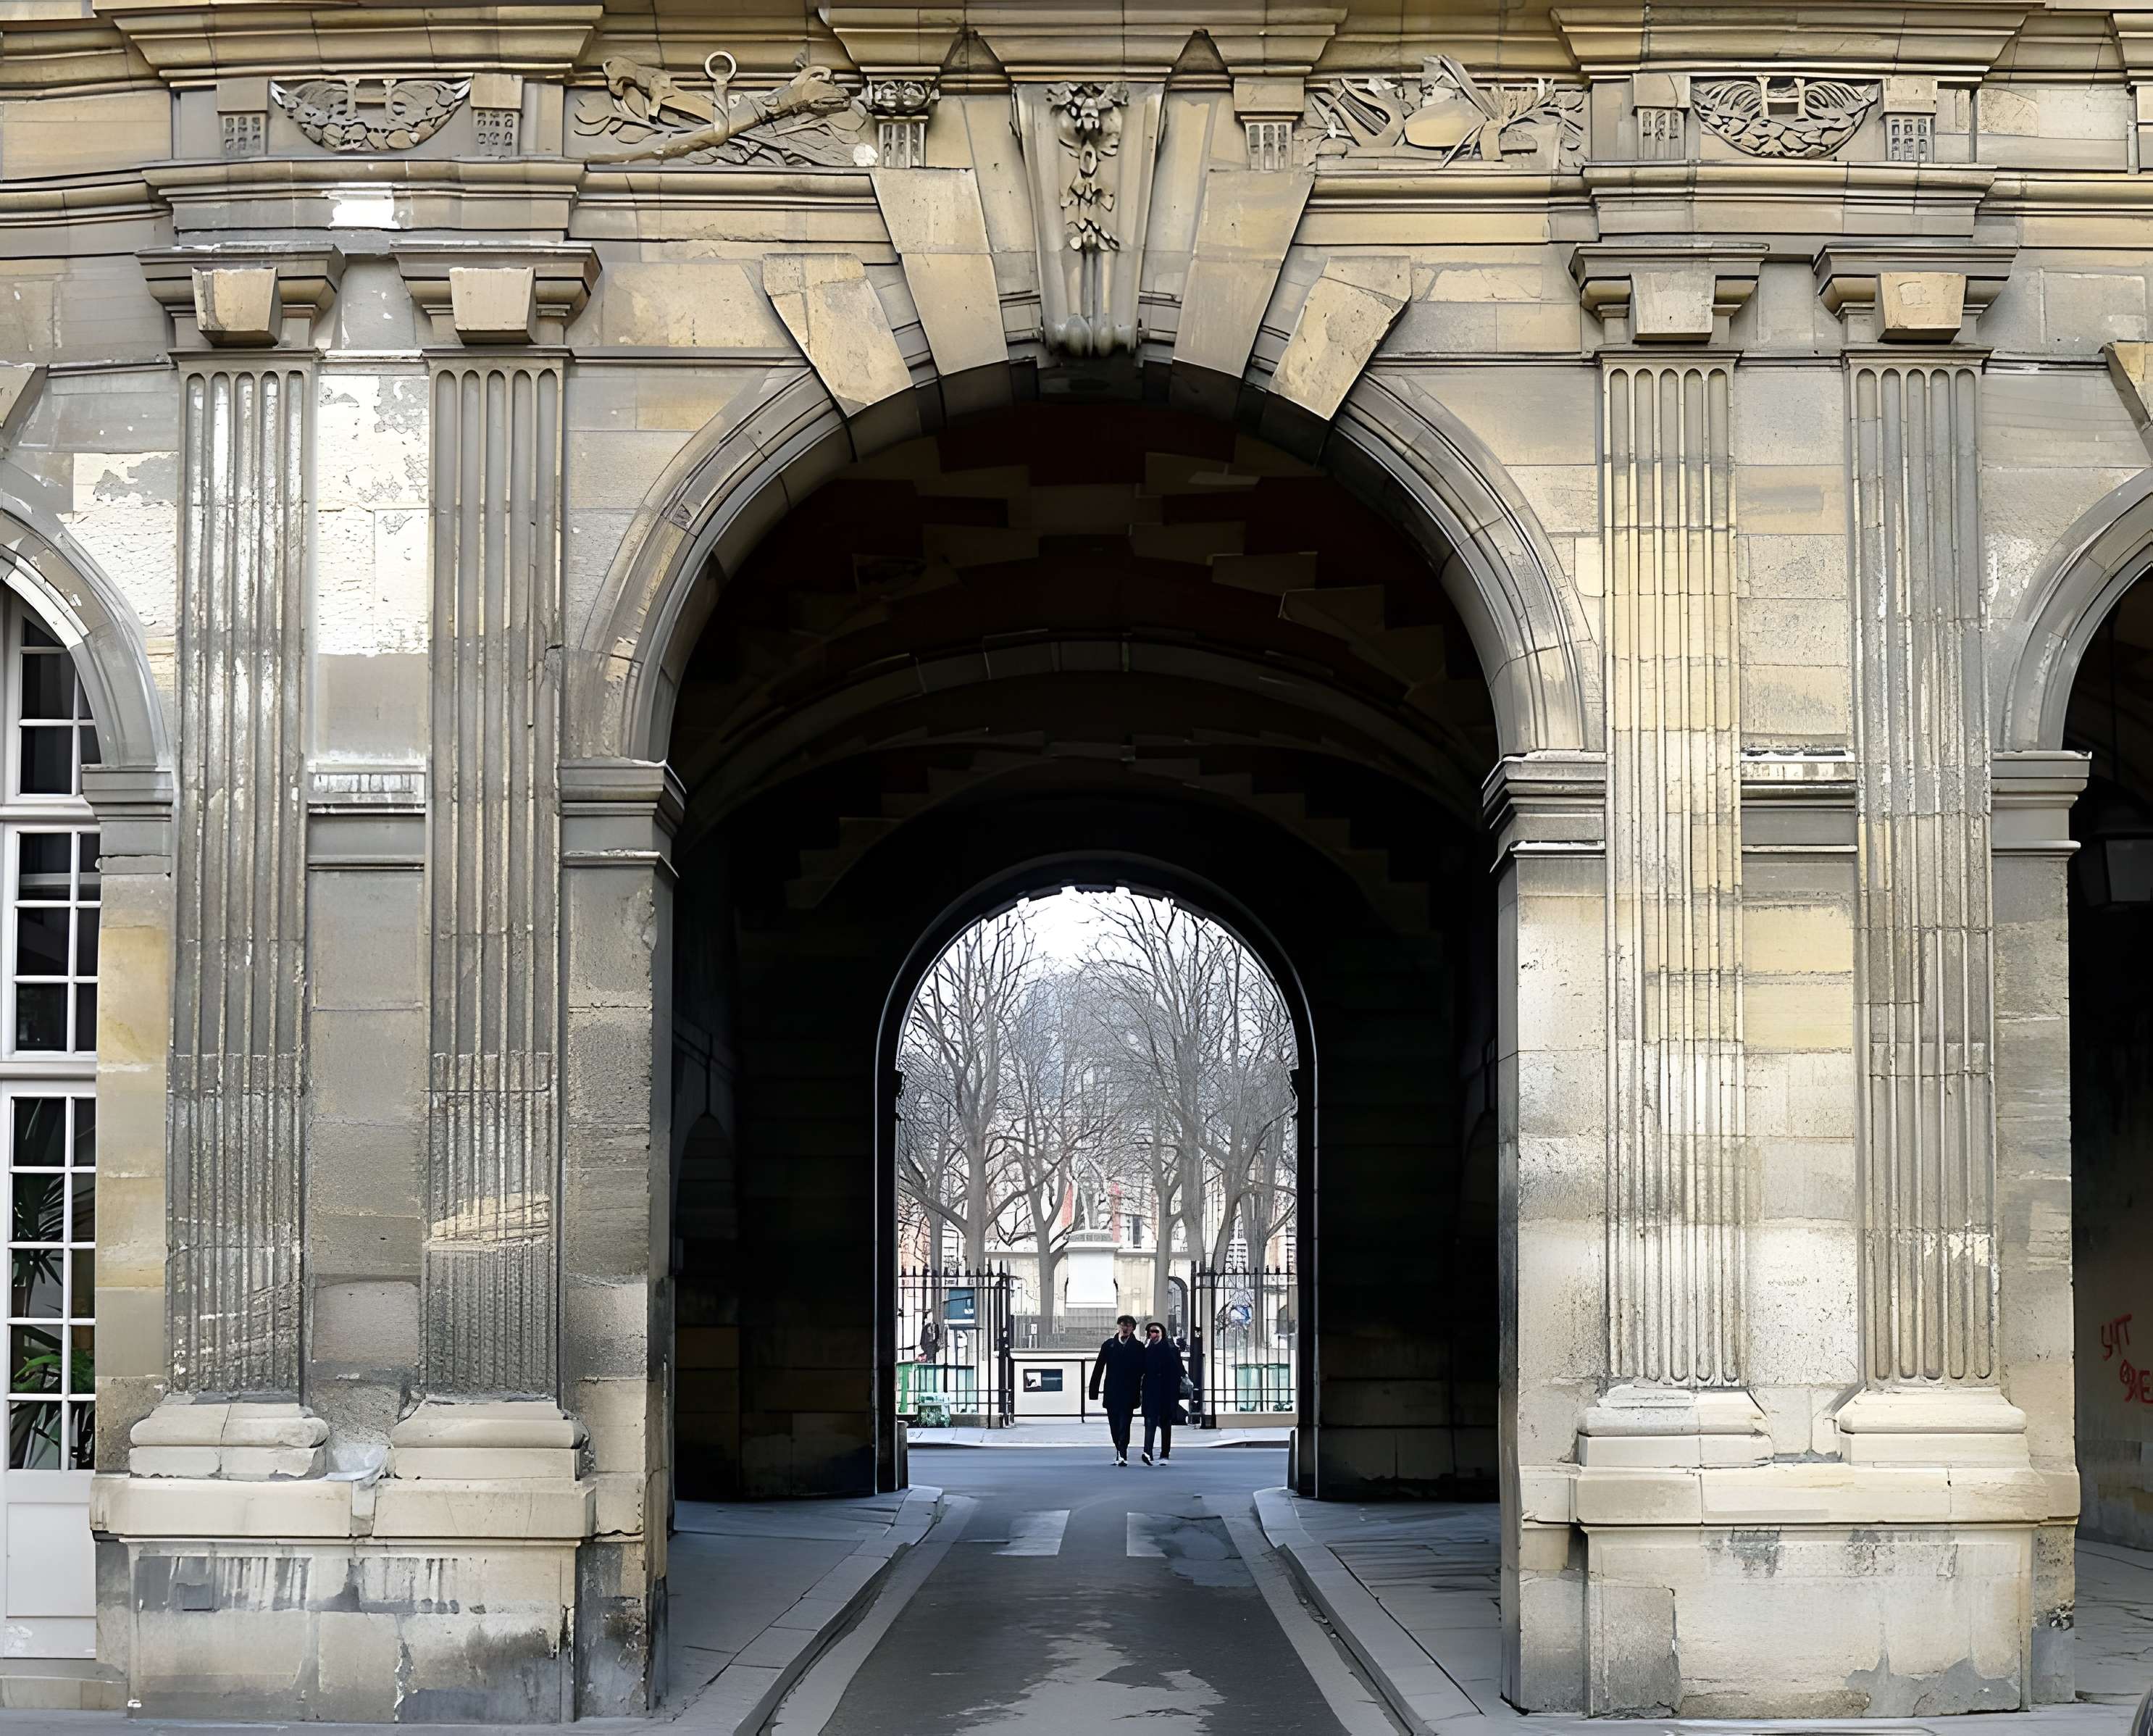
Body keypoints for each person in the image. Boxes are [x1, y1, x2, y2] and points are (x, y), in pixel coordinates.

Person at [1088, 1314, 1146, 1466]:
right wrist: (1093, 1391)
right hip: (1112, 1390)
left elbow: (1144, 1369)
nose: (1125, 1328)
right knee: (1114, 1424)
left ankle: (1123, 1452)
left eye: (1129, 1325)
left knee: (1125, 1423)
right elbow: (1099, 1368)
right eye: (1123, 1325)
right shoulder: (1109, 1345)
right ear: (1119, 1326)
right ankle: (1118, 1448)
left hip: (1130, 1390)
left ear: (1133, 1328)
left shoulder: (1138, 1347)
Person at [1140, 1320, 1186, 1465]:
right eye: (1151, 1332)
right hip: (1151, 1391)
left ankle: (1165, 1453)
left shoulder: (1171, 1349)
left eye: (1156, 1331)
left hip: (1167, 1392)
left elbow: (1178, 1369)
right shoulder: (1146, 1350)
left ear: (1162, 1333)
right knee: (1150, 1421)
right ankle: (1148, 1452)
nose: (1153, 1334)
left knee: (1165, 1422)